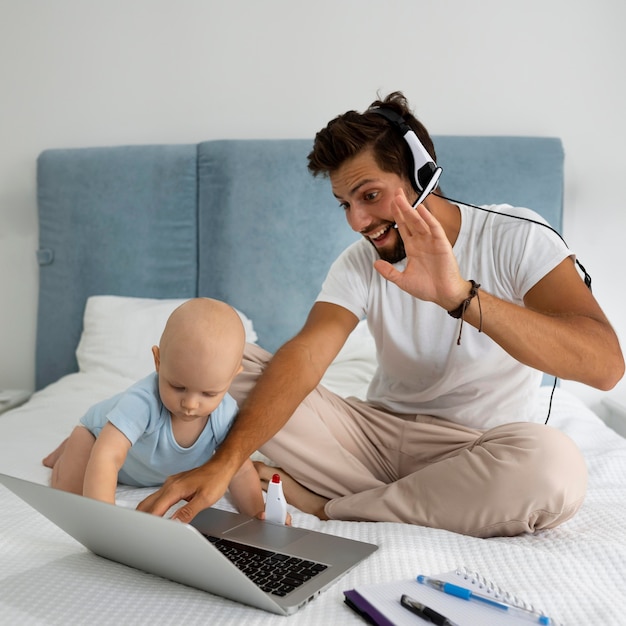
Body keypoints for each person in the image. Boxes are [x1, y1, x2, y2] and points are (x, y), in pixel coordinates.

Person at [137, 92, 624, 537]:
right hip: (370, 441)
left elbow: (604, 366)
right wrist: (229, 460)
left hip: (476, 451)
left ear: (422, 175)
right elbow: (306, 356)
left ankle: (331, 507)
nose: (356, 221)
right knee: (224, 361)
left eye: (369, 196)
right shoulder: (359, 264)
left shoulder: (518, 238)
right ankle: (406, 499)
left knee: (554, 468)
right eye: (345, 204)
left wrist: (460, 297)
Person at [42, 298, 267, 520]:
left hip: (145, 468)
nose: (190, 404)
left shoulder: (225, 414)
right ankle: (67, 450)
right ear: (158, 361)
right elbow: (107, 456)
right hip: (97, 438)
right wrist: (105, 519)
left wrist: (259, 516)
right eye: (178, 387)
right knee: (69, 497)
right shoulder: (143, 401)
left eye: (208, 394)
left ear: (232, 377)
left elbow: (241, 469)